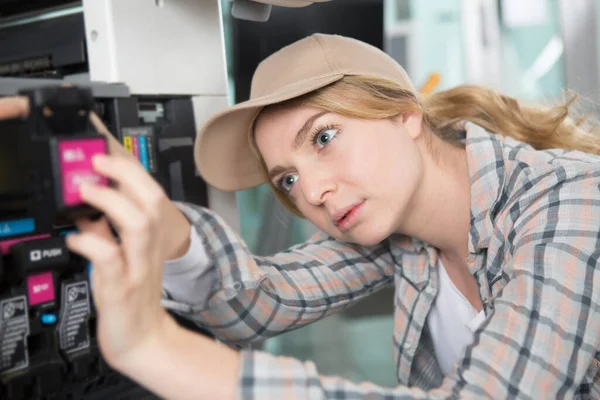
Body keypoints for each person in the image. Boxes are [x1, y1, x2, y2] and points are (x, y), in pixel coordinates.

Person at [1, 33, 599, 399]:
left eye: (324, 137)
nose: (311, 192)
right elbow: (262, 297)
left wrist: (159, 349)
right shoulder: (403, 233)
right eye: (285, 178)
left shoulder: (570, 201)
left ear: (405, 115)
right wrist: (156, 219)